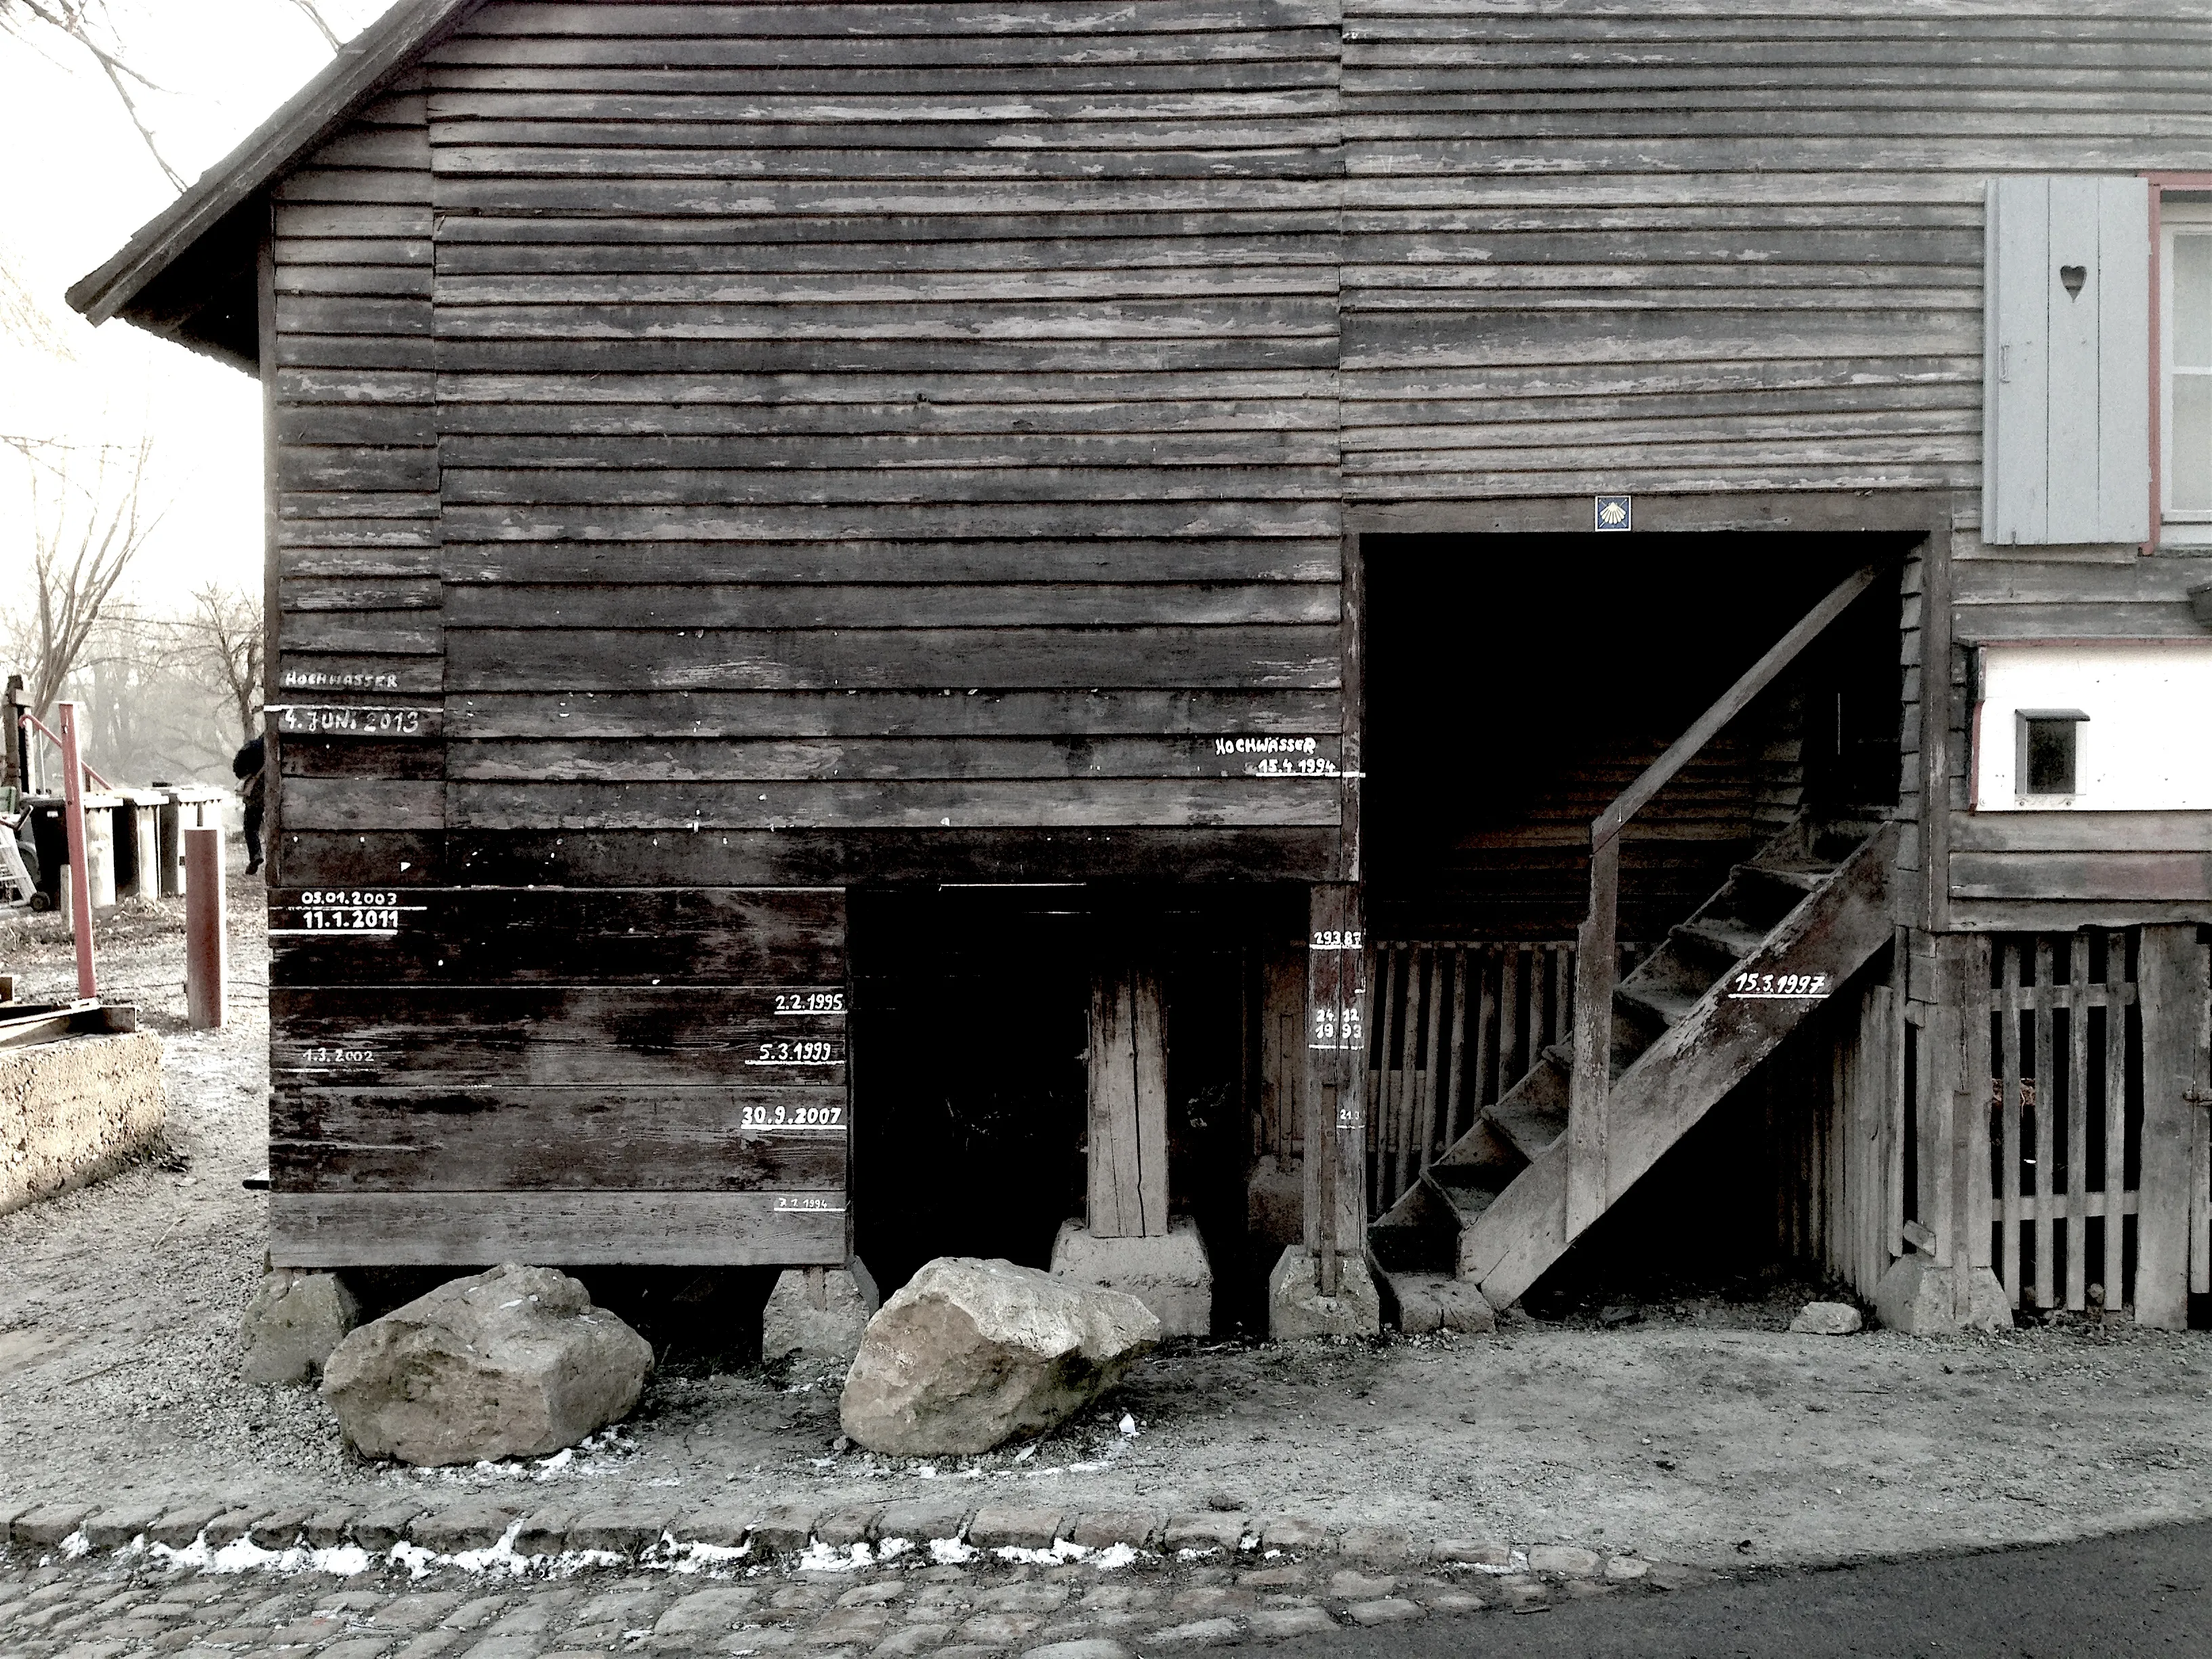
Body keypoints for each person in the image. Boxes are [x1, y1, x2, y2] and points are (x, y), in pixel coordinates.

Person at [232, 735, 265, 875]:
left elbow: (238, 764)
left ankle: (256, 855)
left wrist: (247, 775)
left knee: (251, 827)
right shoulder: (286, 742)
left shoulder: (254, 746)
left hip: (257, 791)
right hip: (282, 789)